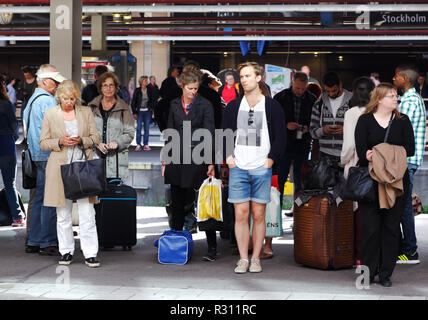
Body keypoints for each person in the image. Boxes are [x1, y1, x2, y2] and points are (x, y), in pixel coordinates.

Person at [221, 62, 285, 274]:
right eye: (242, 76)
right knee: (241, 214)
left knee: (259, 215)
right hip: (239, 166)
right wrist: (229, 158)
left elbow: (281, 137)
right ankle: (243, 258)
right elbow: (225, 134)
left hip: (261, 166)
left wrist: (270, 160)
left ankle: (256, 258)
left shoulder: (271, 106)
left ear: (259, 78)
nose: (244, 79)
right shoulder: (233, 106)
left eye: (248, 75)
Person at [355, 83, 415, 287]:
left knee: (391, 229)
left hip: (396, 182)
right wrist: (369, 154)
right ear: (379, 99)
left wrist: (383, 153)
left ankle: (386, 273)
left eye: (396, 95)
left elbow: (411, 149)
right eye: (391, 96)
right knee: (370, 229)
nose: (395, 99)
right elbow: (361, 149)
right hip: (370, 183)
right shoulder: (364, 121)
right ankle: (368, 272)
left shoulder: (403, 121)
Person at [39, 80, 101, 268]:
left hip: (83, 167)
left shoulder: (85, 112)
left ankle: (91, 253)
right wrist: (60, 141)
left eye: (72, 98)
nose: (69, 102)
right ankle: (66, 251)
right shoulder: (50, 114)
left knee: (87, 213)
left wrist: (82, 140)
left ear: (76, 98)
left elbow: (96, 138)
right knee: (63, 213)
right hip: (59, 167)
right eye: (65, 98)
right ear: (59, 97)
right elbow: (43, 142)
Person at [161, 71, 215, 254]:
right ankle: (175, 243)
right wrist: (165, 162)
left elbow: (209, 134)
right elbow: (169, 132)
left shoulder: (205, 105)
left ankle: (211, 247)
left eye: (196, 89)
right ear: (182, 87)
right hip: (176, 157)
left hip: (198, 157)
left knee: (202, 202)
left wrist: (210, 163)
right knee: (176, 201)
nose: (193, 92)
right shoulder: (174, 104)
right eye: (190, 88)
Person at [23, 64, 66, 255]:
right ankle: (47, 241)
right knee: (50, 199)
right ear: (46, 81)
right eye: (55, 82)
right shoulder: (48, 101)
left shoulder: (31, 101)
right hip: (48, 155)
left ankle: (34, 240)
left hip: (35, 155)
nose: (57, 86)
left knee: (39, 198)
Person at [393, 64, 426, 264]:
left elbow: (397, 131)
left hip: (405, 160)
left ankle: (410, 251)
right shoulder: (416, 99)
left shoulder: (407, 101)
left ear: (405, 78)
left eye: (396, 76)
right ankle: (407, 247)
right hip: (411, 160)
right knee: (403, 205)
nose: (394, 78)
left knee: (404, 206)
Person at [341, 76, 375, 266]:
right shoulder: (377, 111)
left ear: (354, 93)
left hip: (356, 168)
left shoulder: (352, 113)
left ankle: (359, 256)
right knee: (373, 213)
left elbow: (349, 146)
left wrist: (342, 161)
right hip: (376, 168)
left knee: (357, 214)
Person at [274, 71, 317, 210]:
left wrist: (308, 128)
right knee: (280, 180)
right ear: (292, 82)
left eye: (303, 88)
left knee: (300, 180)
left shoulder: (312, 99)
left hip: (303, 145)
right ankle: (276, 215)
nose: (300, 91)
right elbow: (272, 121)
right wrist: (286, 125)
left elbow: (316, 121)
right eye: (297, 88)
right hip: (284, 145)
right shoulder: (281, 97)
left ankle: (299, 213)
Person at [88, 72, 134, 179]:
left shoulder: (124, 108)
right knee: (95, 194)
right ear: (100, 88)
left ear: (116, 87)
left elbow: (130, 133)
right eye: (105, 85)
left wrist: (117, 143)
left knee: (113, 194)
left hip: (116, 162)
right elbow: (86, 131)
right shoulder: (92, 107)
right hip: (95, 158)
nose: (108, 88)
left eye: (111, 85)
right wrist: (97, 143)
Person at [309, 71, 353, 165]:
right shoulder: (319, 104)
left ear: (340, 84)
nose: (331, 94)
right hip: (324, 155)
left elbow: (361, 130)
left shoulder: (352, 102)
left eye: (334, 90)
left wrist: (346, 131)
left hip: (347, 154)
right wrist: (323, 130)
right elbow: (312, 132)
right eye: (327, 91)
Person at [0, 79, 24, 227]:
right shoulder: (5, 103)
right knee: (10, 183)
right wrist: (14, 137)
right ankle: (17, 217)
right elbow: (14, 124)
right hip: (6, 144)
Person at [155, 65, 181, 131]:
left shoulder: (165, 81)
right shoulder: (172, 81)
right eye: (176, 72)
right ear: (172, 72)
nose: (177, 73)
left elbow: (161, 92)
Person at [131, 76, 153, 151]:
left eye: (147, 80)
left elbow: (152, 100)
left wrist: (151, 109)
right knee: (139, 128)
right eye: (145, 80)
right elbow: (133, 102)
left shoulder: (149, 90)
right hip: (139, 112)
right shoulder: (137, 90)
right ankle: (138, 144)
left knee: (147, 129)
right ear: (141, 82)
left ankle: (146, 144)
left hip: (147, 112)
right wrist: (134, 112)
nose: (147, 82)